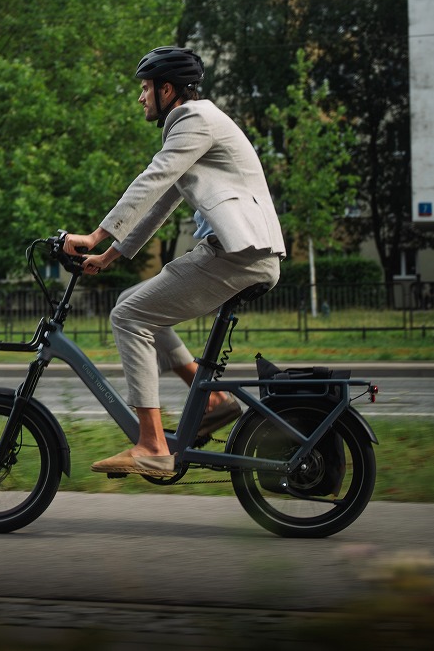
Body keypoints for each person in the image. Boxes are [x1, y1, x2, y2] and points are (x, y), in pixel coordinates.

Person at [63, 46, 286, 477]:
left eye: (146, 88)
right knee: (134, 301)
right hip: (240, 256)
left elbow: (152, 180)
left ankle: (151, 446)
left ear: (167, 90)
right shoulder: (199, 124)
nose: (141, 97)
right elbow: (162, 203)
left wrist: (94, 235)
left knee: (128, 316)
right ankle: (215, 401)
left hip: (238, 257)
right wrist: (109, 254)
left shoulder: (192, 120)